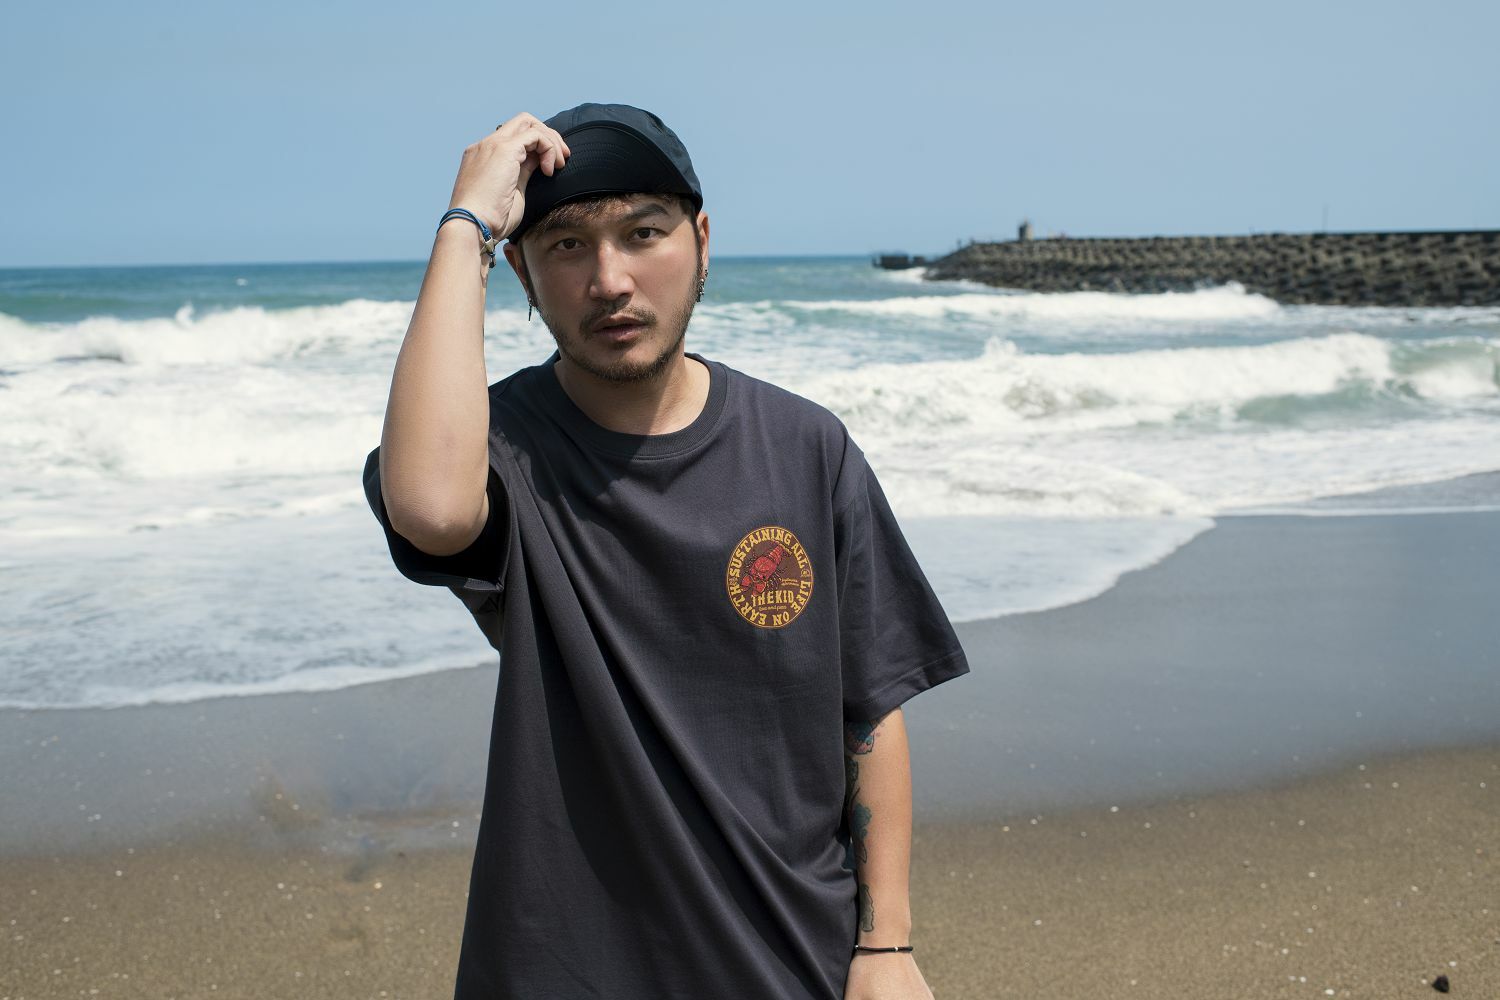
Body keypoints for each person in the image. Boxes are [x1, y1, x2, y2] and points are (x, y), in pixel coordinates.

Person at [362, 103, 970, 999]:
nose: (610, 280)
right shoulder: (506, 454)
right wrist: (465, 228)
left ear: (702, 242)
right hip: (559, 970)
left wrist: (886, 947)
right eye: (567, 246)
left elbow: (868, 706)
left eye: (643, 234)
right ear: (522, 270)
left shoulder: (805, 449)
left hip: (789, 959)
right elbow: (430, 509)